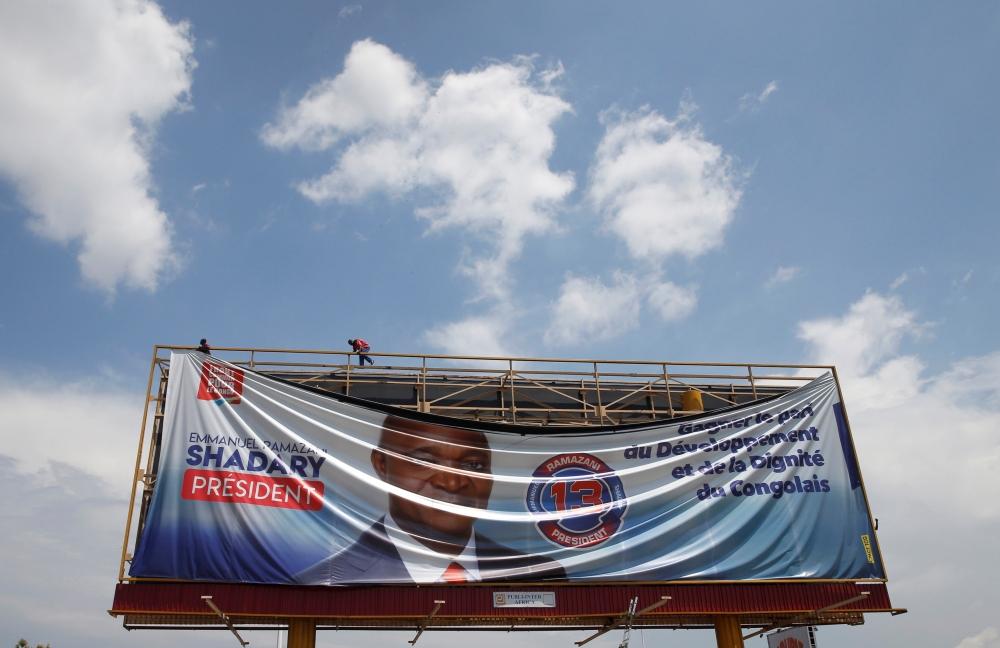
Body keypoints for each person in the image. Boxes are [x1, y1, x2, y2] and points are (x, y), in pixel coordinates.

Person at [295, 415, 566, 584]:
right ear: (381, 464)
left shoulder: (541, 574)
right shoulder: (322, 581)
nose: (451, 482)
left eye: (473, 466)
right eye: (423, 461)